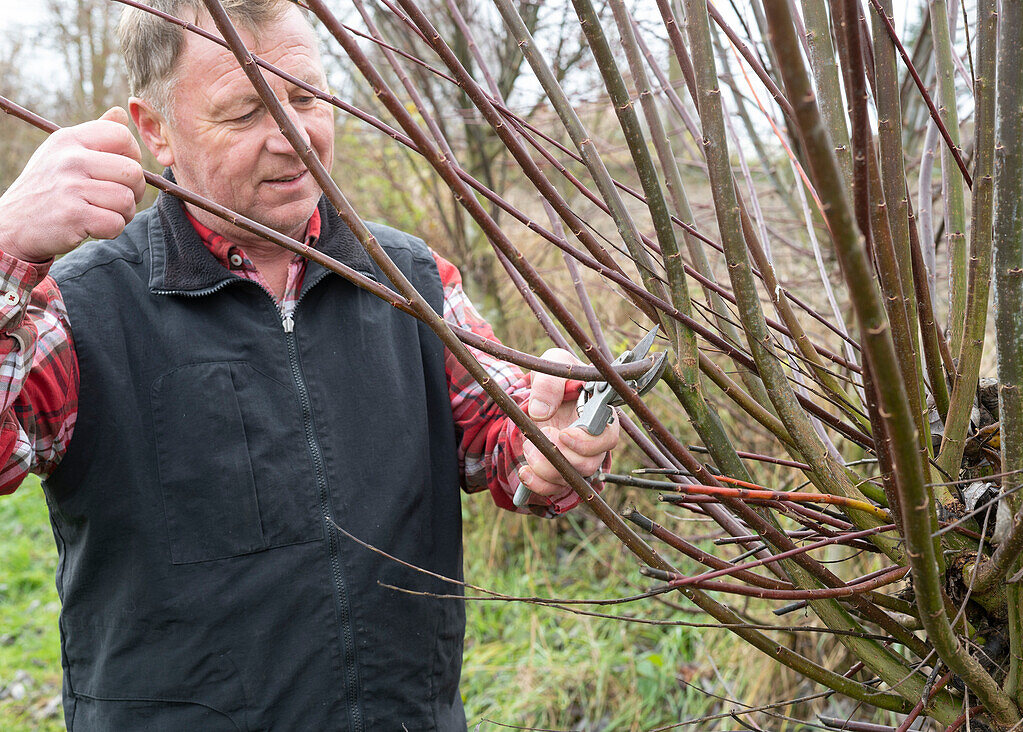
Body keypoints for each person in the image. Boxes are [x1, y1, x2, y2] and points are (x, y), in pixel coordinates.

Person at [0, 0, 620, 729]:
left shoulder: (411, 278)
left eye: (305, 98)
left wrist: (554, 437)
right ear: (155, 129)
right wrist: (5, 250)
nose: (292, 135)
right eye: (244, 113)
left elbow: (507, 444)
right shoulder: (81, 307)